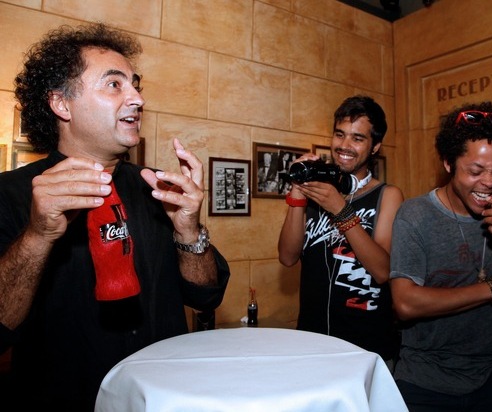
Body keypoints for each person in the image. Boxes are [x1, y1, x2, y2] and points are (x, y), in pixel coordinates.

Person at [0, 23, 230, 410]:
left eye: (135, 85)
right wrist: (38, 236)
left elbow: (207, 295)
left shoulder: (156, 188)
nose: (138, 98)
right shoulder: (11, 194)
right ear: (61, 104)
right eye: (114, 84)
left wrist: (189, 230)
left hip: (162, 398)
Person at [389, 102, 492, 411]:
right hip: (425, 381)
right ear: (448, 163)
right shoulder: (415, 214)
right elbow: (406, 303)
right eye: (475, 171)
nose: (489, 182)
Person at [277, 95, 404, 366]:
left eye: (357, 138)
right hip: (312, 342)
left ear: (375, 147)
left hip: (366, 347)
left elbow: (383, 271)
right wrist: (298, 192)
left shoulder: (388, 195)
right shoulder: (318, 190)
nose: (344, 145)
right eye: (339, 134)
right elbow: (287, 257)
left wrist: (341, 210)